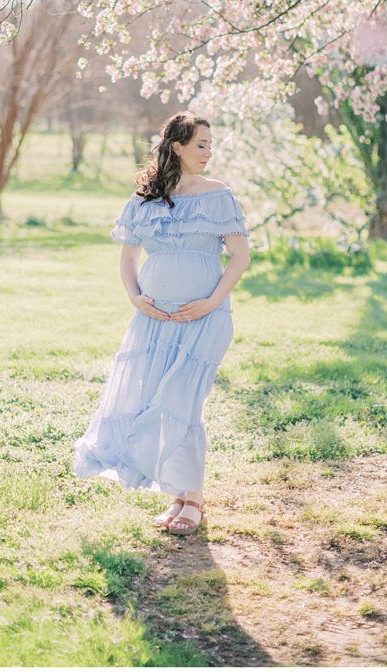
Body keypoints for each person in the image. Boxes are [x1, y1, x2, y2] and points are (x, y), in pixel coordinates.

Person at [73, 111, 250, 535]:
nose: (208, 153)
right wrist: (137, 299)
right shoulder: (145, 199)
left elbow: (239, 257)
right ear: (177, 147)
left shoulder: (218, 194)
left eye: (210, 145)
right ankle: (178, 495)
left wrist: (209, 303)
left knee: (182, 402)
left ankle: (195, 502)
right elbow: (129, 259)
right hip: (154, 319)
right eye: (201, 145)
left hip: (203, 318)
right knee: (154, 401)